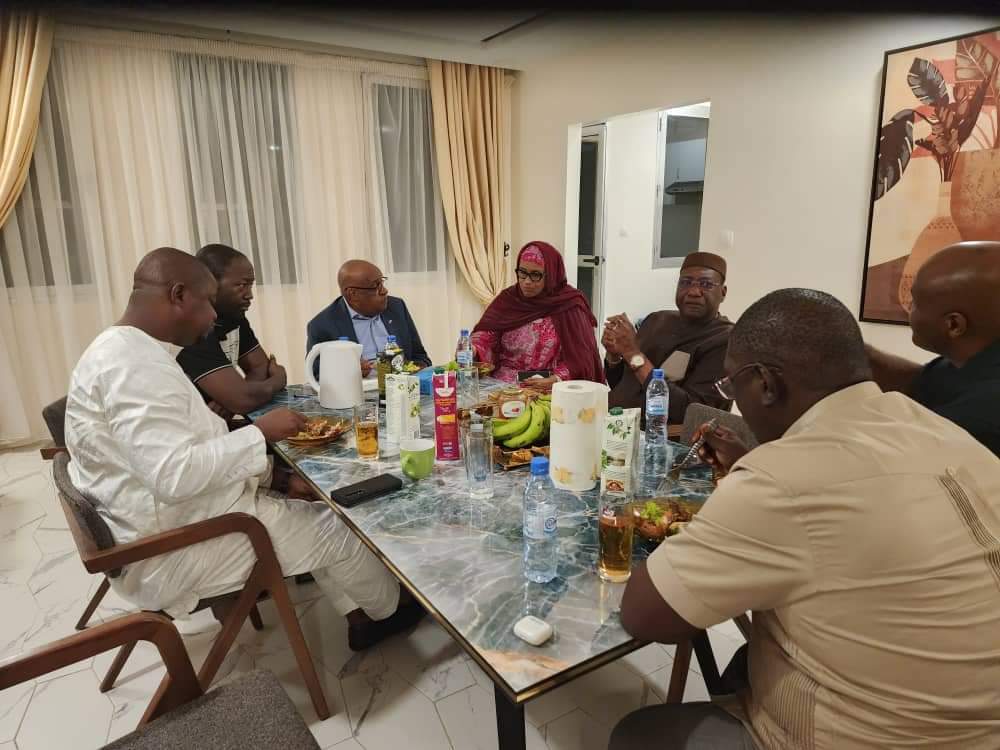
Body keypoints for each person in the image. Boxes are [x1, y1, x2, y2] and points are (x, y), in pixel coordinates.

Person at [612, 289, 1000, 749]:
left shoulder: (783, 478)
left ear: (766, 384)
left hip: (873, 738)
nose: (735, 401)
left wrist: (742, 492)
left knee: (639, 734)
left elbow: (645, 617)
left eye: (733, 386)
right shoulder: (938, 427)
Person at [65, 247, 423, 650]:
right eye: (206, 302)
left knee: (312, 505)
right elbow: (175, 475)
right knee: (339, 526)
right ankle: (390, 611)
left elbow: (192, 450)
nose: (213, 316)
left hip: (172, 522)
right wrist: (260, 434)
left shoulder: (121, 350)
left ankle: (358, 614)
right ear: (178, 295)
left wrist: (276, 480)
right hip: (172, 550)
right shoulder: (134, 366)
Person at [866, 240, 1000, 457]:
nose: (909, 307)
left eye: (916, 302)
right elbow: (921, 382)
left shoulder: (976, 421)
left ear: (953, 325)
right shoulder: (976, 360)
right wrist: (856, 351)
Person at [603, 251, 732, 422]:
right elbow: (623, 385)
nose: (694, 291)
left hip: (660, 434)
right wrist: (614, 356)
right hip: (614, 421)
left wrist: (632, 353)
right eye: (685, 282)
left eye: (706, 284)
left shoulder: (725, 340)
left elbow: (692, 413)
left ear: (723, 292)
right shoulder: (656, 320)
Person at [469, 241, 604, 385]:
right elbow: (487, 335)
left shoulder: (571, 306)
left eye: (535, 275)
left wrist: (555, 379)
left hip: (550, 387)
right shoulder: (508, 300)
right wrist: (473, 349)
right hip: (502, 387)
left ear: (551, 275)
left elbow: (582, 358)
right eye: (522, 273)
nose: (527, 281)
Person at [176, 244, 286, 418]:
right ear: (210, 283)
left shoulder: (234, 317)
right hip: (188, 429)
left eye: (250, 285)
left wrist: (232, 399)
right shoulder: (194, 330)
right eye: (242, 285)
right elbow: (243, 400)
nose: (250, 295)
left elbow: (260, 368)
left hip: (217, 426)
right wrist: (278, 380)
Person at [306, 260, 431, 377]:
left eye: (382, 283)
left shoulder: (396, 307)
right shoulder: (323, 325)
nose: (384, 291)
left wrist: (413, 370)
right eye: (376, 286)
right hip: (358, 390)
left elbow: (420, 357)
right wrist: (349, 372)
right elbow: (316, 374)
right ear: (352, 294)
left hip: (401, 385)